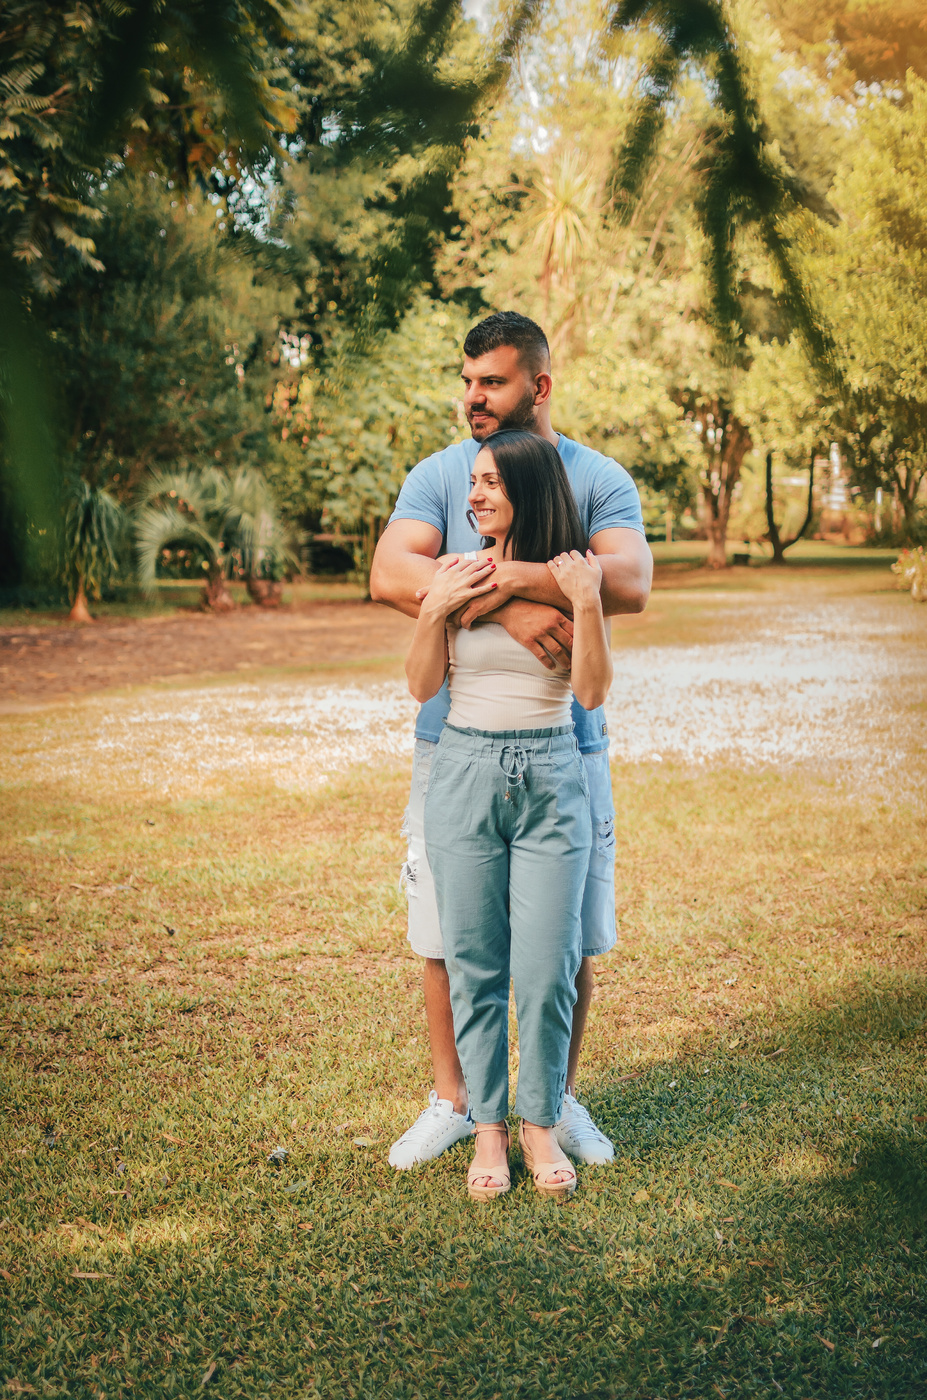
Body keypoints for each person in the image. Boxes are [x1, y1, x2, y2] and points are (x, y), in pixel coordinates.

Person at [370, 311, 651, 1171]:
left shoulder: (595, 477)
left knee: (566, 937)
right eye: (467, 382)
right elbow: (390, 574)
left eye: (491, 382)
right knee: (445, 935)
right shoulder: (441, 474)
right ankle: (455, 1103)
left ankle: (552, 1102)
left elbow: (629, 582)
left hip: (568, 743)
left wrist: (494, 583)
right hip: (453, 740)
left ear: (539, 384)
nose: (473, 398)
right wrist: (522, 608)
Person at [405, 429, 613, 1198]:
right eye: (473, 482)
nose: (474, 495)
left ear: (528, 487)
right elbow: (421, 683)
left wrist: (585, 600)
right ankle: (488, 1130)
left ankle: (539, 1123)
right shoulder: (457, 571)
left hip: (552, 772)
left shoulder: (573, 575)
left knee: (548, 967)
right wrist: (434, 612)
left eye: (490, 482)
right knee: (474, 963)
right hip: (464, 770)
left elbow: (590, 690)